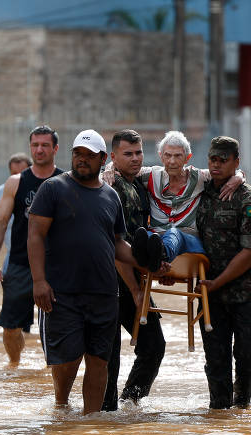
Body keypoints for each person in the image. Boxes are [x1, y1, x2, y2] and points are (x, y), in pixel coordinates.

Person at [28, 129, 158, 415]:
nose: (82, 160)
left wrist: (147, 264)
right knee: (68, 358)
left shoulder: (110, 196)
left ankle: (91, 420)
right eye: (78, 154)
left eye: (89, 156)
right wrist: (38, 281)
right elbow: (35, 234)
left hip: (103, 293)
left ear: (102, 160)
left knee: (99, 359)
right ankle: (61, 406)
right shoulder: (53, 188)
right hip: (63, 292)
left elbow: (117, 245)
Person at [104, 130, 243, 272]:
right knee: (144, 235)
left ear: (187, 158)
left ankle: (160, 257)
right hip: (156, 238)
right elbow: (122, 167)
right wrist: (109, 168)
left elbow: (227, 172)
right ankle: (153, 255)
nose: (172, 161)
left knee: (173, 233)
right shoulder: (151, 175)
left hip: (189, 241)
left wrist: (239, 176)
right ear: (161, 157)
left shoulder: (199, 177)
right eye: (168, 155)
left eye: (178, 156)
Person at [195, 136, 251, 409]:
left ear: (236, 162)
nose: (216, 165)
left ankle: (244, 406)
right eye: (213, 159)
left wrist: (218, 282)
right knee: (216, 358)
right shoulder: (200, 194)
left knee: (247, 356)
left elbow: (250, 252)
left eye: (223, 160)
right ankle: (219, 413)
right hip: (209, 292)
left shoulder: (250, 200)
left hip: (245, 292)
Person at [0, 125, 63, 364]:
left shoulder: (65, 181)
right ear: (30, 147)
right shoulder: (16, 182)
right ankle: (15, 365)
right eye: (35, 145)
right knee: (10, 326)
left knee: (59, 325)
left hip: (57, 265)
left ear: (55, 149)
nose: (39, 150)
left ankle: (54, 373)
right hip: (20, 263)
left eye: (45, 145)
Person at [102, 129, 166, 411]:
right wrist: (136, 290)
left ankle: (130, 403)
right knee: (109, 355)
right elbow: (115, 247)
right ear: (113, 157)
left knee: (153, 345)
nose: (135, 158)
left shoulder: (139, 182)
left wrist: (239, 175)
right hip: (110, 282)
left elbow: (185, 171)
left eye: (139, 152)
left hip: (136, 279)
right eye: (128, 154)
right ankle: (104, 416)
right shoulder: (111, 186)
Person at [0, 152, 32, 276]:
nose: (18, 177)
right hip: (12, 256)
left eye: (22, 173)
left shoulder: (40, 189)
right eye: (14, 173)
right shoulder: (2, 192)